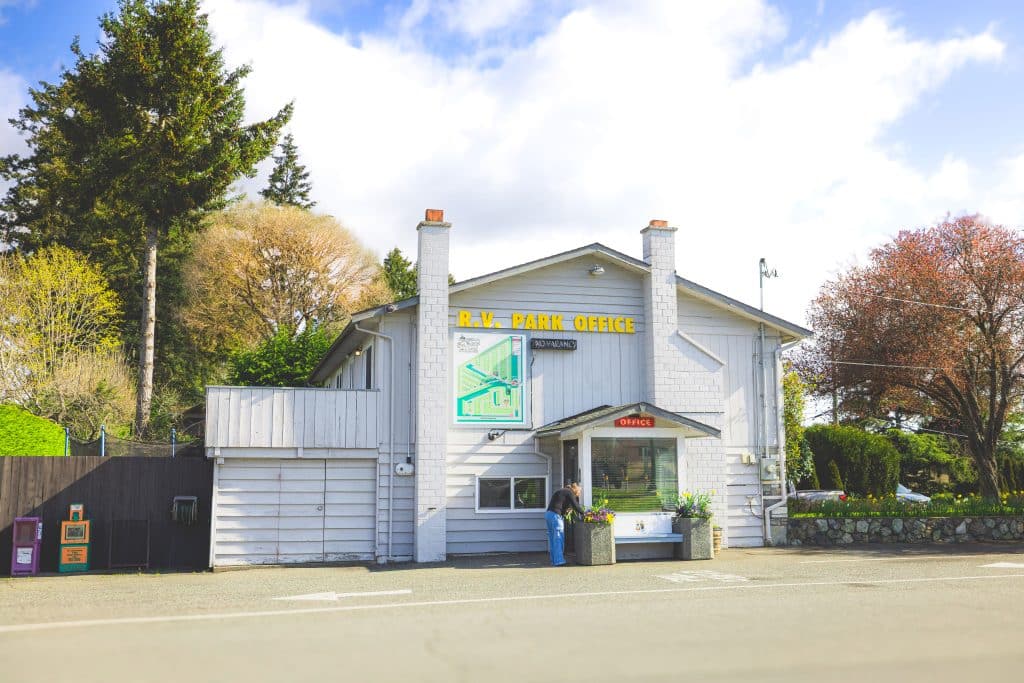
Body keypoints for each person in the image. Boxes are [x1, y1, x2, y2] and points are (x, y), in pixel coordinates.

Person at [545, 481, 584, 566]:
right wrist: (585, 513)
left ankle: (554, 560)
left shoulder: (563, 491)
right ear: (575, 488)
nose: (579, 493)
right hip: (555, 516)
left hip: (549, 514)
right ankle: (559, 561)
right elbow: (576, 506)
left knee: (553, 539)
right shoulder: (569, 492)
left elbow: (562, 505)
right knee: (558, 538)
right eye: (579, 491)